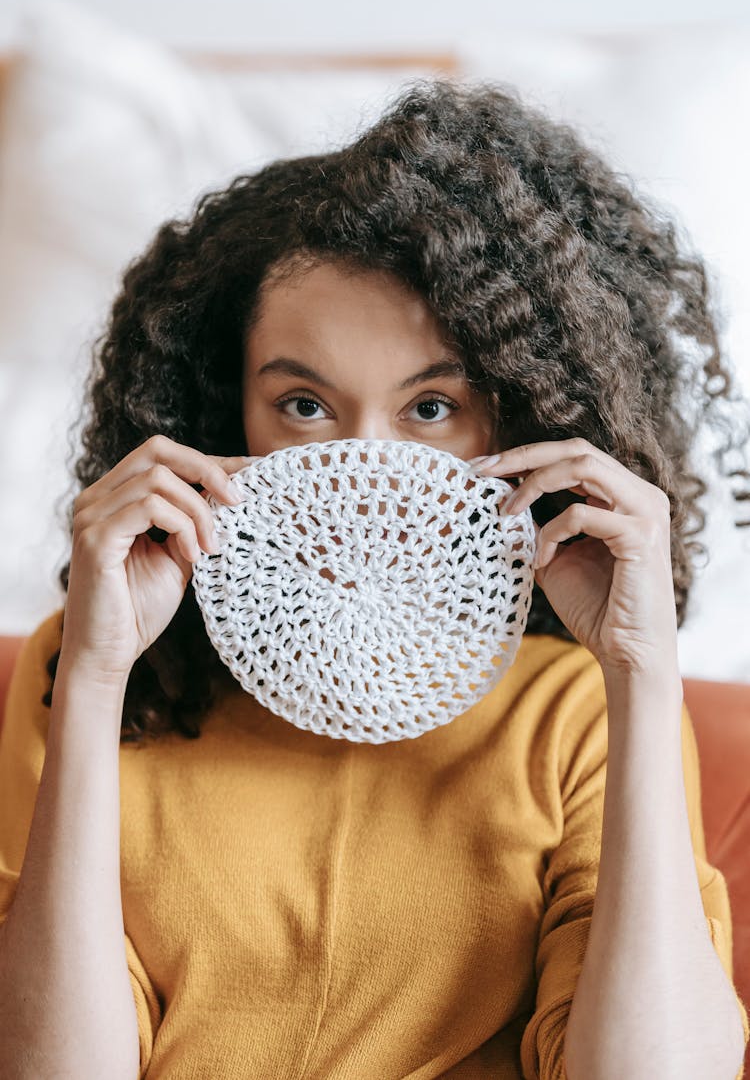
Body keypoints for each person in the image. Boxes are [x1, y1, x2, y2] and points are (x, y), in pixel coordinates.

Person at [0, 78, 748, 1080]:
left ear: (515, 420)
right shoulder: (90, 672)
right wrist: (95, 682)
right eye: (304, 406)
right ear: (227, 418)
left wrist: (644, 675)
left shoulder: (578, 711)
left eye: (431, 409)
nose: (363, 475)